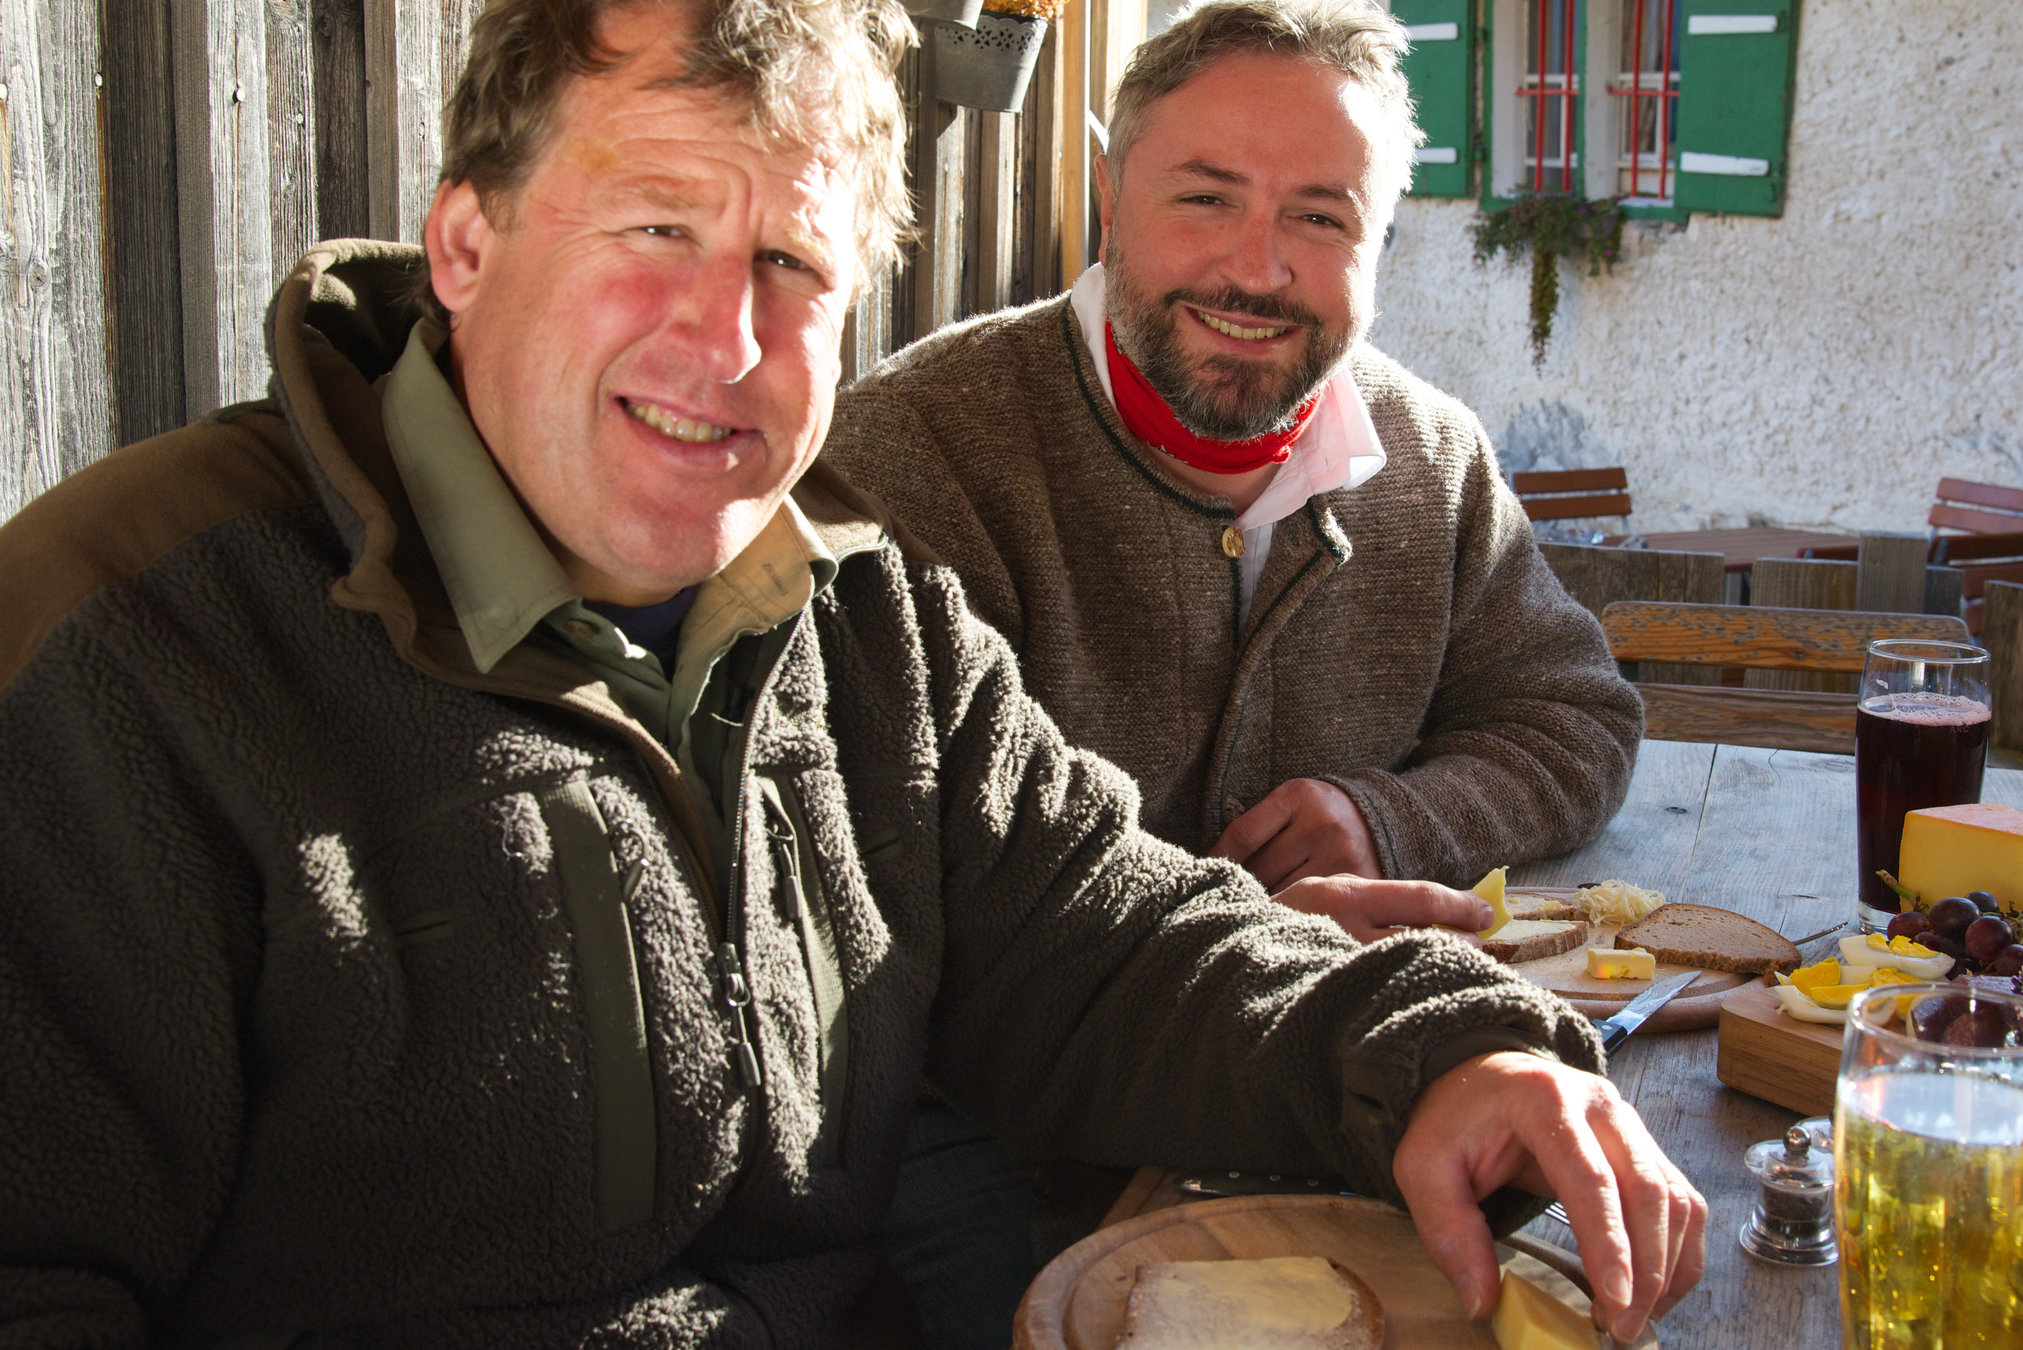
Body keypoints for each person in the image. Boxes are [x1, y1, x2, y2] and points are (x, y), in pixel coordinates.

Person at [0, 1, 1701, 1347]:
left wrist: (1442, 1052)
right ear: (465, 241)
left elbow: (1104, 941)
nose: (723, 339)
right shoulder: (134, 648)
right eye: (656, 226)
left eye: (792, 269)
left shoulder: (859, 617)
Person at [823, 0, 1644, 947]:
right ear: (1108, 195)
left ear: (1378, 240)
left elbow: (1574, 721)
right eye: (1206, 198)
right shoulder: (916, 452)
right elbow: (902, 855)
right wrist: (1238, 940)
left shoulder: (1434, 458)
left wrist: (1388, 820)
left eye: (1319, 216)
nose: (1258, 270)